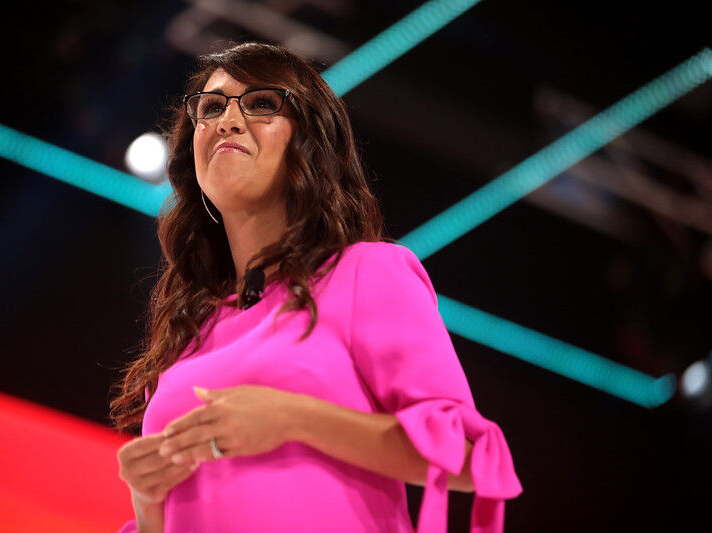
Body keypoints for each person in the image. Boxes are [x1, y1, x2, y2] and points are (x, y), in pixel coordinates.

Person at [110, 41, 521, 533]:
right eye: (211, 106)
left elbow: (473, 459)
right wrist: (148, 501)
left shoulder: (366, 273)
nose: (226, 120)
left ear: (308, 144)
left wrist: (294, 419)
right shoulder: (191, 327)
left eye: (262, 104)